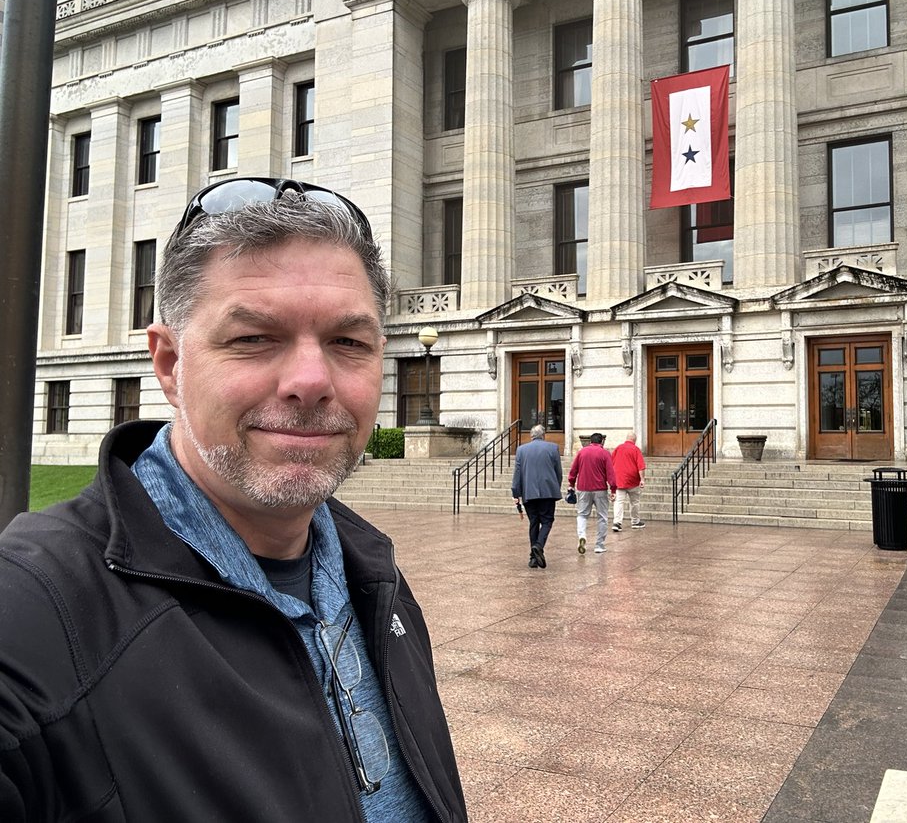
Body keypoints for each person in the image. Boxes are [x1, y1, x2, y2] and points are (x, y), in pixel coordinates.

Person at [0, 178, 467, 822]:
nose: (312, 381)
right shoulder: (35, 604)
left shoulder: (372, 567)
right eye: (253, 338)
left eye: (348, 343)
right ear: (168, 365)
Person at [510, 424, 563, 568]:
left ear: (531, 436)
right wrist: (555, 487)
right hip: (548, 492)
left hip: (529, 492)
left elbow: (517, 474)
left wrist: (516, 492)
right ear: (543, 435)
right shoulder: (553, 448)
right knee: (547, 521)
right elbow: (558, 472)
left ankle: (533, 558)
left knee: (534, 522)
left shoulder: (521, 450)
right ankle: (538, 546)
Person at [567, 432, 617, 554]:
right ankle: (599, 545)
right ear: (602, 442)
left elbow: (573, 470)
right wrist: (613, 489)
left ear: (590, 441)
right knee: (602, 517)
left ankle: (582, 536)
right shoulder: (605, 453)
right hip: (600, 489)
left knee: (582, 515)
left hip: (583, 488)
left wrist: (571, 484)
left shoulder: (582, 452)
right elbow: (611, 473)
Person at [611, 430, 646, 532]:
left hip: (619, 480)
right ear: (634, 440)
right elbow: (641, 466)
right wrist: (642, 479)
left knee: (618, 502)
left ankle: (617, 523)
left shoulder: (618, 448)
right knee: (635, 502)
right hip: (633, 481)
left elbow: (611, 462)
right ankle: (635, 521)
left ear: (626, 439)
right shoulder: (636, 449)